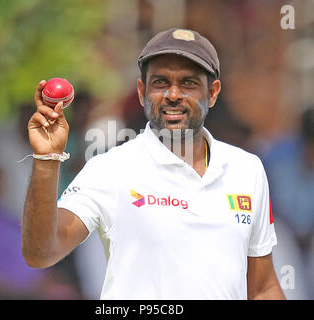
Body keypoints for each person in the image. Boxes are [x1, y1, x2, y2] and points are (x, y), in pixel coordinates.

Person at [22, 28, 285, 299]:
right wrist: (47, 158)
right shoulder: (111, 168)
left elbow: (263, 288)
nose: (173, 94)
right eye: (160, 82)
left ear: (213, 93)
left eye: (189, 83)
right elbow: (40, 252)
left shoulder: (246, 169)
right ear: (141, 91)